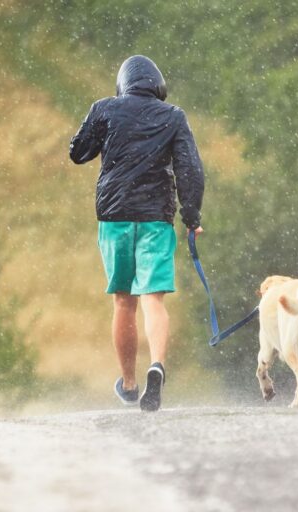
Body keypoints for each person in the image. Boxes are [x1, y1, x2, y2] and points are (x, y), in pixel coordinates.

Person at [69, 55, 205, 412]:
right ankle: (156, 365)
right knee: (153, 299)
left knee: (123, 301)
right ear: (157, 86)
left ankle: (129, 384)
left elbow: (78, 153)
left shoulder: (105, 109)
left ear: (123, 83)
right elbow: (189, 167)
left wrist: (100, 125)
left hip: (114, 216)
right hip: (156, 218)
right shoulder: (173, 116)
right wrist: (191, 215)